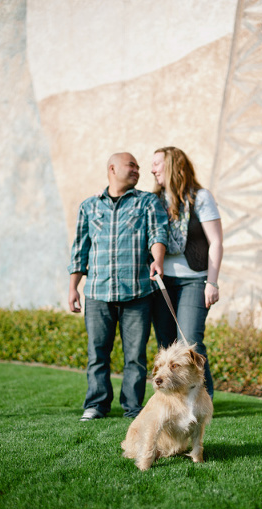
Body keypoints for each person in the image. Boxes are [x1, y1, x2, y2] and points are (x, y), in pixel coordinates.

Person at [68, 152, 169, 421]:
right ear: (112, 169)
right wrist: (73, 288)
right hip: (97, 294)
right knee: (97, 354)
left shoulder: (147, 201)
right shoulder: (88, 206)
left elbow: (158, 233)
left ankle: (133, 409)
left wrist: (157, 259)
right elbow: (80, 250)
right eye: (132, 165)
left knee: (135, 357)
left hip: (137, 293)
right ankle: (96, 405)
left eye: (138, 166)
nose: (138, 170)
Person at [150, 146, 223, 398]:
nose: (152, 169)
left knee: (190, 343)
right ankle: (174, 401)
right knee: (166, 346)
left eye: (157, 163)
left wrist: (211, 282)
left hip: (194, 280)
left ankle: (203, 400)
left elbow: (216, 242)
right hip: (161, 283)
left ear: (172, 164)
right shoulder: (152, 200)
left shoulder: (200, 198)